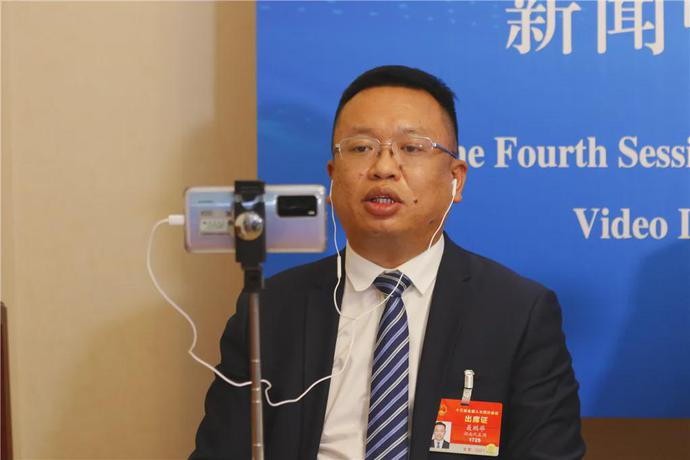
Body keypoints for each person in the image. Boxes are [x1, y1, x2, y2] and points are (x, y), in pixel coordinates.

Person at [190, 65, 585, 459]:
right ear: (333, 177)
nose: (383, 168)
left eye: (411, 148)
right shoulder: (271, 308)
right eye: (361, 148)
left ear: (456, 179)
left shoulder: (517, 312)